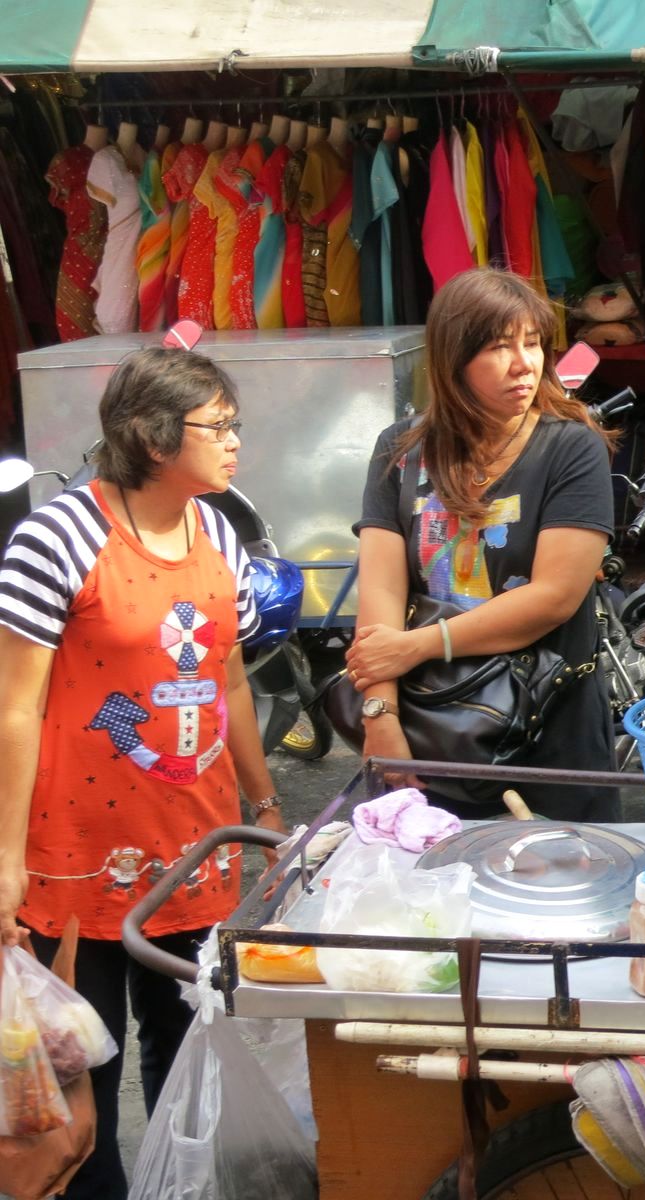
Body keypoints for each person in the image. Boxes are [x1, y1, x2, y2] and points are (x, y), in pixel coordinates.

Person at [0, 347, 284, 1199]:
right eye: (217, 426)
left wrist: (265, 804)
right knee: (84, 1060)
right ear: (155, 439)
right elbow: (15, 709)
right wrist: (5, 859)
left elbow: (232, 682)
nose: (235, 441)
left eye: (235, 424)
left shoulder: (219, 531)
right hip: (75, 857)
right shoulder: (57, 538)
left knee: (187, 1049)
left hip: (195, 849)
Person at [346, 267, 618, 820]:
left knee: (566, 868)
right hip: (435, 722)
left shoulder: (571, 447)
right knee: (436, 868)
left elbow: (554, 597)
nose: (525, 364)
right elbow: (380, 594)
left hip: (550, 729)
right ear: (454, 360)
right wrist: (381, 715)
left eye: (533, 343)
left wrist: (417, 645)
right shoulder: (401, 449)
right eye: (499, 347)